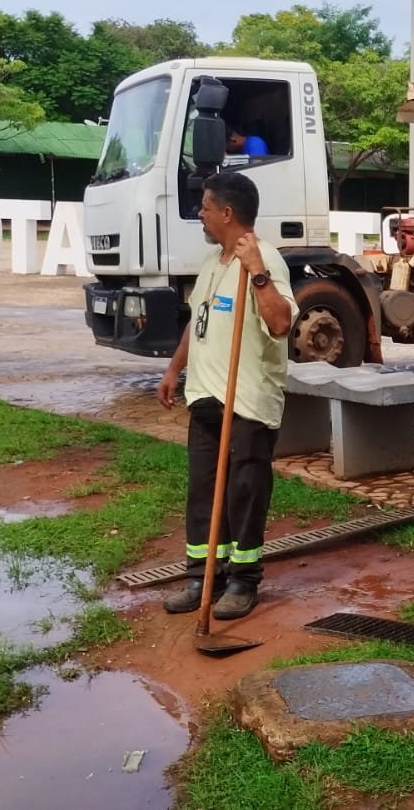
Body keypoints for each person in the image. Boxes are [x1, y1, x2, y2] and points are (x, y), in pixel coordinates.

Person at [156, 171, 297, 619]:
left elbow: (280, 324)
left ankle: (243, 580)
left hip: (247, 402)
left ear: (228, 212)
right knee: (202, 493)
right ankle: (203, 576)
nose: (200, 212)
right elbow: (196, 325)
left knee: (243, 492)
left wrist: (256, 272)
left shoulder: (265, 259)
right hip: (205, 398)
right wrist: (174, 368)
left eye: (205, 205)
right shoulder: (211, 263)